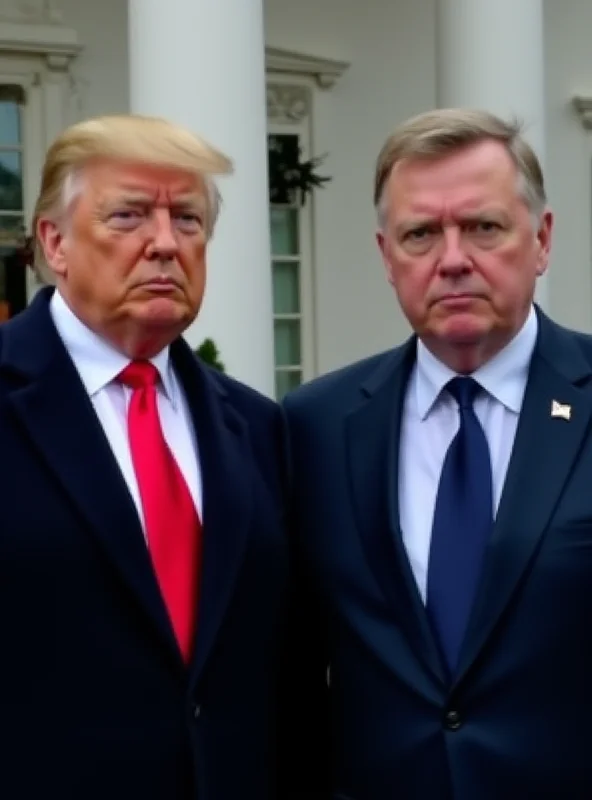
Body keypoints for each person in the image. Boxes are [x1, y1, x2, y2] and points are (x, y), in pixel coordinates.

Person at [0, 114, 325, 800]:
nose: (164, 244)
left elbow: (287, 669)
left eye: (187, 219)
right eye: (129, 217)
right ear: (54, 243)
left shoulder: (259, 427)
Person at [283, 107, 592, 799]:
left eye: (483, 227)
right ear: (387, 257)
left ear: (541, 240)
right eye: (421, 233)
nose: (452, 259)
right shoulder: (314, 427)